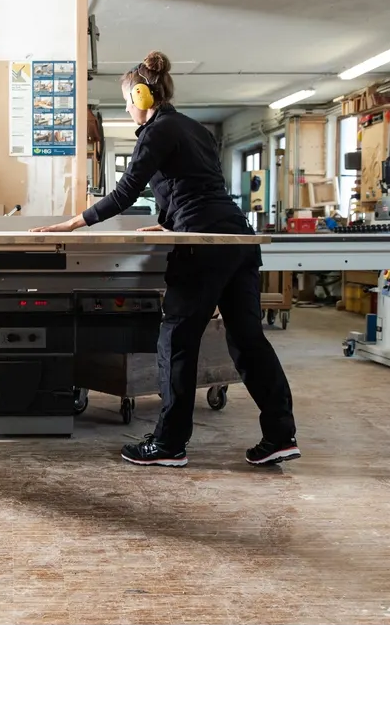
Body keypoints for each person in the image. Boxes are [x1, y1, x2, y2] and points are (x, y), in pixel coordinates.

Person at [32, 51, 298, 468]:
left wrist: (72, 224)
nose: (126, 108)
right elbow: (198, 186)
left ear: (142, 96)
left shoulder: (156, 131)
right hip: (236, 238)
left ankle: (169, 443)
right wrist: (170, 222)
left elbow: (125, 192)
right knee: (248, 340)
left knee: (176, 341)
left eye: (127, 99)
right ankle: (281, 435)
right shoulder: (193, 128)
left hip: (202, 245)